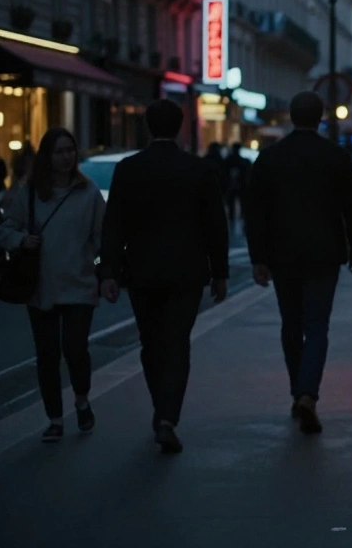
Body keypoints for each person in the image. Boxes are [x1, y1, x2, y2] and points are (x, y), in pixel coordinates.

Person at [99, 100, 230, 455]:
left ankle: (161, 407)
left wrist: (109, 270)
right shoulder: (198, 170)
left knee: (151, 342)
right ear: (181, 127)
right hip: (187, 271)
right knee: (177, 343)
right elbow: (215, 225)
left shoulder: (129, 168)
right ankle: (168, 416)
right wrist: (220, 272)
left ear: (147, 128)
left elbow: (114, 225)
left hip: (142, 270)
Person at [244, 91, 352, 435]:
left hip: (283, 254)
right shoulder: (336, 157)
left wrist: (258, 257)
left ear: (291, 116)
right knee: (317, 325)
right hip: (324, 252)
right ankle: (308, 393)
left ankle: (298, 389)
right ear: (321, 117)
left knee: (290, 324)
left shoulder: (270, 158)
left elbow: (255, 212)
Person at [0, 128, 105, 442]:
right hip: (41, 286)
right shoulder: (29, 192)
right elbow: (5, 229)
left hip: (80, 284)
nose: (66, 156)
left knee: (75, 349)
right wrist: (21, 240)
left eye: (70, 150)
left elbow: (104, 237)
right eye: (59, 151)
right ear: (47, 156)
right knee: (47, 355)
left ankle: (82, 399)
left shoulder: (89, 193)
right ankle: (55, 419)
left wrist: (102, 269)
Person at [224, 142, 251, 231]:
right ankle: (242, 219)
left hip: (232, 186)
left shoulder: (228, 160)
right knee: (242, 205)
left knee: (232, 205)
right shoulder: (243, 161)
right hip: (241, 186)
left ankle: (233, 220)